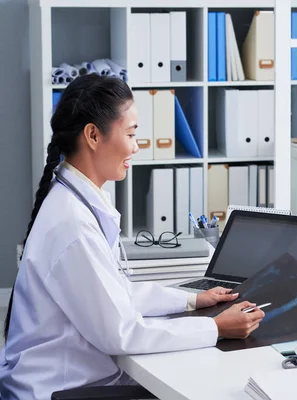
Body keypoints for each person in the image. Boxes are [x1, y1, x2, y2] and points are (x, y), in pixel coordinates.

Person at [0, 74, 264, 399]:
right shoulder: (72, 225)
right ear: (93, 135)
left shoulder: (76, 200)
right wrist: (216, 327)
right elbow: (120, 333)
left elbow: (115, 295)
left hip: (74, 380)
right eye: (130, 134)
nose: (137, 147)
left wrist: (192, 300)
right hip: (60, 389)